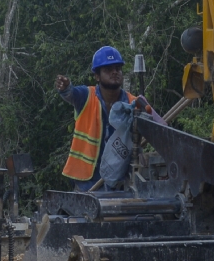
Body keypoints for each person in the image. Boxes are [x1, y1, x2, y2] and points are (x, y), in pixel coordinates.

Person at [55, 47, 154, 190]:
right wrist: (65, 88)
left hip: (120, 182)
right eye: (108, 69)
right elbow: (70, 93)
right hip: (87, 182)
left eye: (118, 68)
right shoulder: (86, 96)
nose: (114, 72)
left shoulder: (132, 103)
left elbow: (153, 127)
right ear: (97, 76)